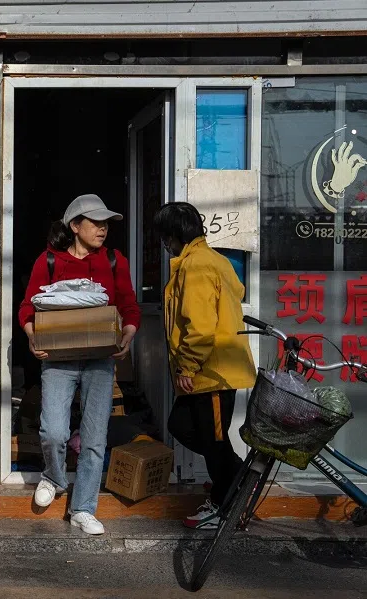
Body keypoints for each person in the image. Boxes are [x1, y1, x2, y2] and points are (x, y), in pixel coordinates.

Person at [18, 194, 140, 535]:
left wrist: (127, 335)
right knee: (53, 431)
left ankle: (83, 508)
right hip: (58, 361)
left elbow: (129, 306)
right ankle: (54, 477)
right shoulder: (50, 261)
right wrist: (32, 336)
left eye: (105, 224)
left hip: (101, 360)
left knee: (93, 438)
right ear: (75, 226)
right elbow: (28, 306)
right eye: (95, 223)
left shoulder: (115, 261)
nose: (102, 230)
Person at [153, 202, 256, 530]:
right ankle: (232, 475)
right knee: (182, 426)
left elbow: (199, 326)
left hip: (211, 374)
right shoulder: (216, 260)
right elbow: (235, 294)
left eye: (166, 237)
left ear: (175, 235)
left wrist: (187, 367)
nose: (165, 244)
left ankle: (225, 499)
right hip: (213, 371)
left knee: (212, 441)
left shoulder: (195, 265)